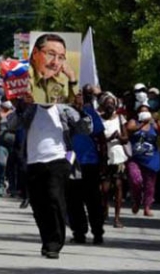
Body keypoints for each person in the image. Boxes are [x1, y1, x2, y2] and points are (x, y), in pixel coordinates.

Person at [4, 94, 92, 259]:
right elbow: (11, 125)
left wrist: (82, 112)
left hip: (59, 160)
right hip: (33, 162)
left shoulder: (64, 110)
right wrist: (20, 108)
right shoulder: (30, 109)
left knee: (55, 199)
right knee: (39, 205)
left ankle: (55, 243)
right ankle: (47, 240)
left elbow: (86, 130)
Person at [66, 87, 106, 245]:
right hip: (70, 161)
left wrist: (103, 161)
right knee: (73, 200)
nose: (78, 98)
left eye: (80, 95)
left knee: (93, 200)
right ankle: (79, 232)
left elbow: (100, 137)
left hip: (89, 162)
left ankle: (97, 232)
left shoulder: (90, 112)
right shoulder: (64, 112)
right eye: (75, 95)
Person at [126, 105, 160, 217]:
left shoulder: (153, 124)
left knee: (150, 184)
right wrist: (142, 123)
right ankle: (137, 201)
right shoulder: (134, 121)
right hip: (135, 158)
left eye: (147, 111)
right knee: (136, 180)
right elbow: (129, 130)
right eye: (142, 111)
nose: (145, 113)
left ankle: (147, 207)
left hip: (151, 158)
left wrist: (157, 121)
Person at [99, 92, 128, 228]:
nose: (110, 105)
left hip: (118, 156)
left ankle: (117, 218)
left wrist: (119, 137)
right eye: (107, 103)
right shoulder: (99, 119)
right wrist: (109, 139)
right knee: (104, 189)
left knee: (118, 186)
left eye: (112, 103)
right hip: (104, 157)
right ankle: (104, 212)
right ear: (103, 105)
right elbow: (97, 138)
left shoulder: (120, 118)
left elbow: (126, 138)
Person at [29, 33, 77, 105]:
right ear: (35, 53)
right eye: (51, 54)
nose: (55, 62)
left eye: (60, 57)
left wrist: (72, 80)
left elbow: (69, 108)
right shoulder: (23, 78)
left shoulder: (55, 82)